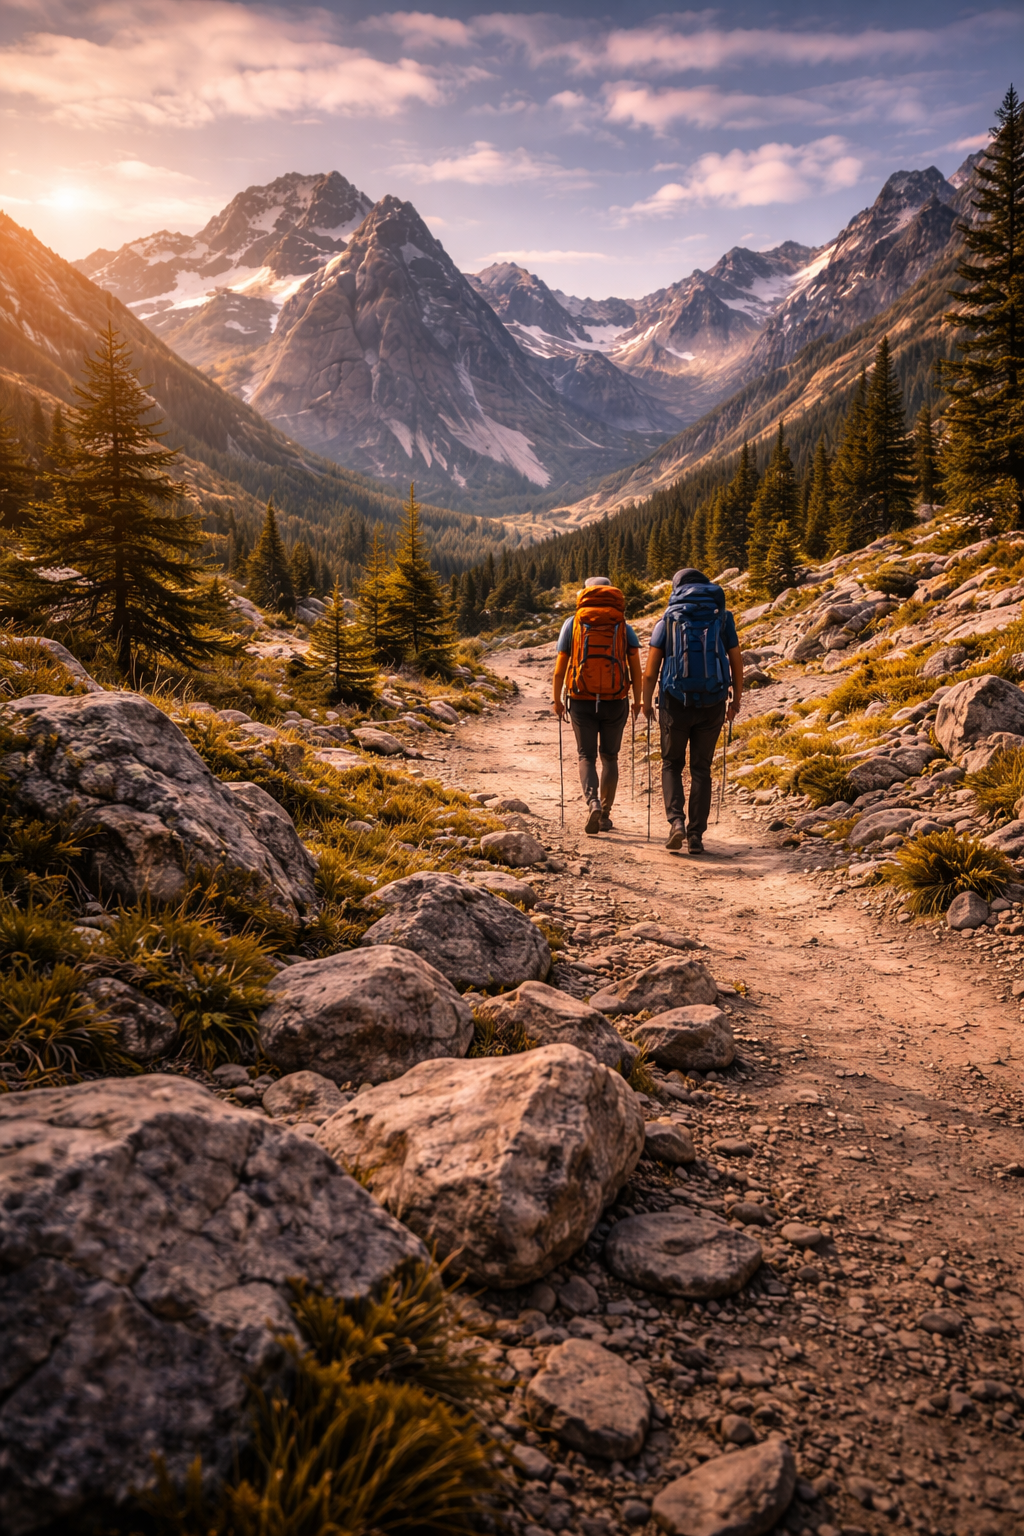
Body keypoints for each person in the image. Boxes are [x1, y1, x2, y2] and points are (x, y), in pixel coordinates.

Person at [642, 567, 743, 854]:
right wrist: (735, 700)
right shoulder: (722, 618)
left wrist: (646, 702)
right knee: (702, 768)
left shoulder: (668, 619)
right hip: (713, 702)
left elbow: (650, 672)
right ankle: (696, 835)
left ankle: (676, 823)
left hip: (675, 701)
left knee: (672, 764)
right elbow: (736, 661)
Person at [552, 576, 643, 834]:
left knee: (586, 756)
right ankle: (605, 814)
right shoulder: (622, 624)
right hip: (615, 700)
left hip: (581, 699)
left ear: (584, 593)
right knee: (610, 757)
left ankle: (592, 802)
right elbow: (635, 666)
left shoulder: (574, 623)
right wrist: (638, 700)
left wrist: (557, 699)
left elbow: (560, 669)